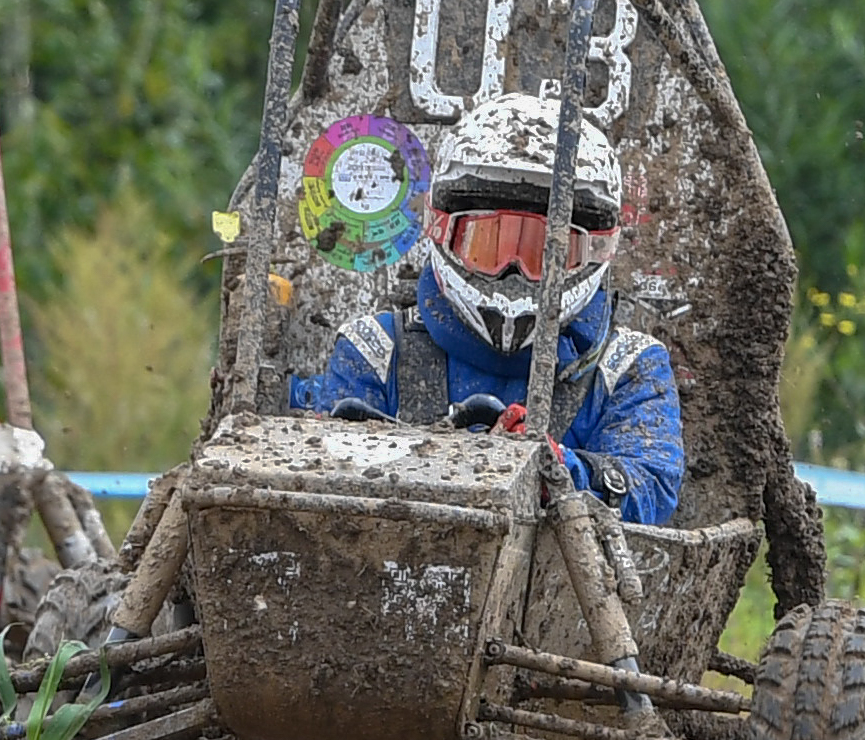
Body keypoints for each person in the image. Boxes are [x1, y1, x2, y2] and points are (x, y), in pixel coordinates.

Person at [289, 93, 685, 523]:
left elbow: (652, 486)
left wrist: (559, 470)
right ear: (444, 231)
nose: (511, 272)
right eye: (488, 244)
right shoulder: (376, 349)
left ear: (595, 250)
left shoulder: (627, 367)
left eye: (543, 252)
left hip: (559, 585)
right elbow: (322, 480)